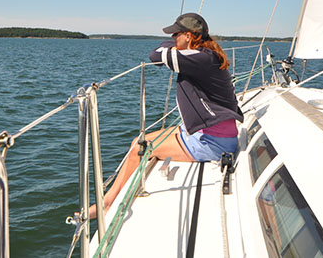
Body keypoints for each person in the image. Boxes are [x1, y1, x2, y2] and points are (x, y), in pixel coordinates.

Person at [89, 13, 243, 218]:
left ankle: (108, 204)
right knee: (139, 140)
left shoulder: (199, 58)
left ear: (188, 36)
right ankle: (109, 198)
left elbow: (155, 55)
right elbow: (162, 49)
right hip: (211, 133)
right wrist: (175, 45)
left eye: (176, 34)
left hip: (214, 142)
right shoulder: (204, 54)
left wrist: (171, 48)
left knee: (139, 148)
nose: (172, 39)